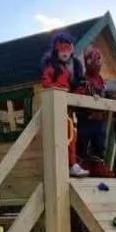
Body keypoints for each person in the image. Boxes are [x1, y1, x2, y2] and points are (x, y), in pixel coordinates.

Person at [41, 32, 89, 177]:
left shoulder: (71, 68)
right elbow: (46, 83)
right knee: (63, 136)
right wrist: (57, 88)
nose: (65, 52)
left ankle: (73, 164)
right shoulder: (52, 67)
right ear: (56, 49)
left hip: (69, 108)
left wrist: (79, 90)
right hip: (56, 107)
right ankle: (68, 165)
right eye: (62, 49)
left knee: (72, 135)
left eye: (68, 49)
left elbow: (74, 85)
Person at [74, 46, 113, 177]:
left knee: (99, 142)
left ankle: (97, 166)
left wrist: (113, 98)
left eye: (98, 59)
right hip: (86, 117)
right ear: (87, 62)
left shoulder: (101, 80)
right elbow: (77, 93)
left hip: (99, 118)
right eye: (91, 60)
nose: (95, 63)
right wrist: (85, 94)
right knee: (82, 141)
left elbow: (107, 94)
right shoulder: (84, 79)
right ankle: (82, 165)